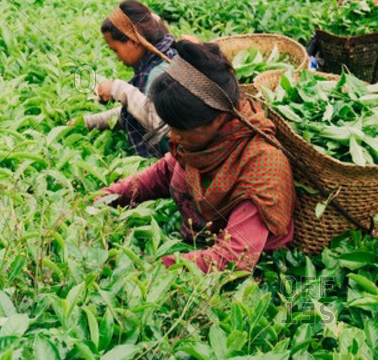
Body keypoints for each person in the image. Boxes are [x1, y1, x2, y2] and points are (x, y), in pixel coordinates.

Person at [96, 40, 295, 274]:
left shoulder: (262, 165)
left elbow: (235, 259)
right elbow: (161, 173)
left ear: (218, 118)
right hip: (193, 248)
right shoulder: (198, 146)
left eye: (181, 129)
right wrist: (104, 198)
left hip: (256, 277)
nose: (174, 137)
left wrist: (149, 270)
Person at [82, 0, 178, 158]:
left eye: (115, 50)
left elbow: (158, 123)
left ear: (133, 40)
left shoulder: (160, 72)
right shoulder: (157, 61)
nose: (117, 58)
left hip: (172, 166)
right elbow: (133, 113)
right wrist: (87, 123)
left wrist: (118, 89)